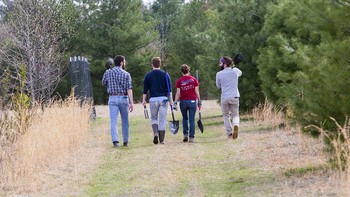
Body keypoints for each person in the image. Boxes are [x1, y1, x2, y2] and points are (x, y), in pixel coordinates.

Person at [102, 55, 134, 147]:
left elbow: (103, 82)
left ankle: (115, 141)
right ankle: (125, 140)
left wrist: (107, 72)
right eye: (124, 61)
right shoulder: (126, 74)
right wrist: (131, 102)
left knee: (113, 121)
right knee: (125, 120)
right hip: (123, 98)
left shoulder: (108, 72)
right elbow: (129, 89)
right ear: (121, 63)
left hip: (112, 98)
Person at [142, 57, 173, 144]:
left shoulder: (148, 75)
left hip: (153, 99)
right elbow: (169, 89)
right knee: (162, 120)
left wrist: (144, 100)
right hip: (163, 99)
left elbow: (145, 89)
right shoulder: (165, 74)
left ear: (152, 65)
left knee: (154, 118)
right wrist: (171, 101)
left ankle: (155, 133)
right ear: (160, 64)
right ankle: (162, 140)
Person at [215, 56, 242, 140]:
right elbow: (240, 73)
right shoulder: (235, 71)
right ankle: (236, 125)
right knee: (235, 115)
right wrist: (233, 67)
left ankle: (229, 133)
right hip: (234, 96)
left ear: (225, 64)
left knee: (226, 115)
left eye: (221, 63)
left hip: (224, 97)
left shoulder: (219, 74)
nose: (219, 64)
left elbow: (218, 86)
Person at [173, 64, 201, 143]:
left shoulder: (179, 81)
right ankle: (191, 137)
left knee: (185, 118)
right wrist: (199, 100)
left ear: (181, 71)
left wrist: (175, 102)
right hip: (192, 101)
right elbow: (197, 92)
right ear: (188, 70)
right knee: (191, 119)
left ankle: (185, 134)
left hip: (183, 102)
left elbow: (178, 94)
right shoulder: (194, 79)